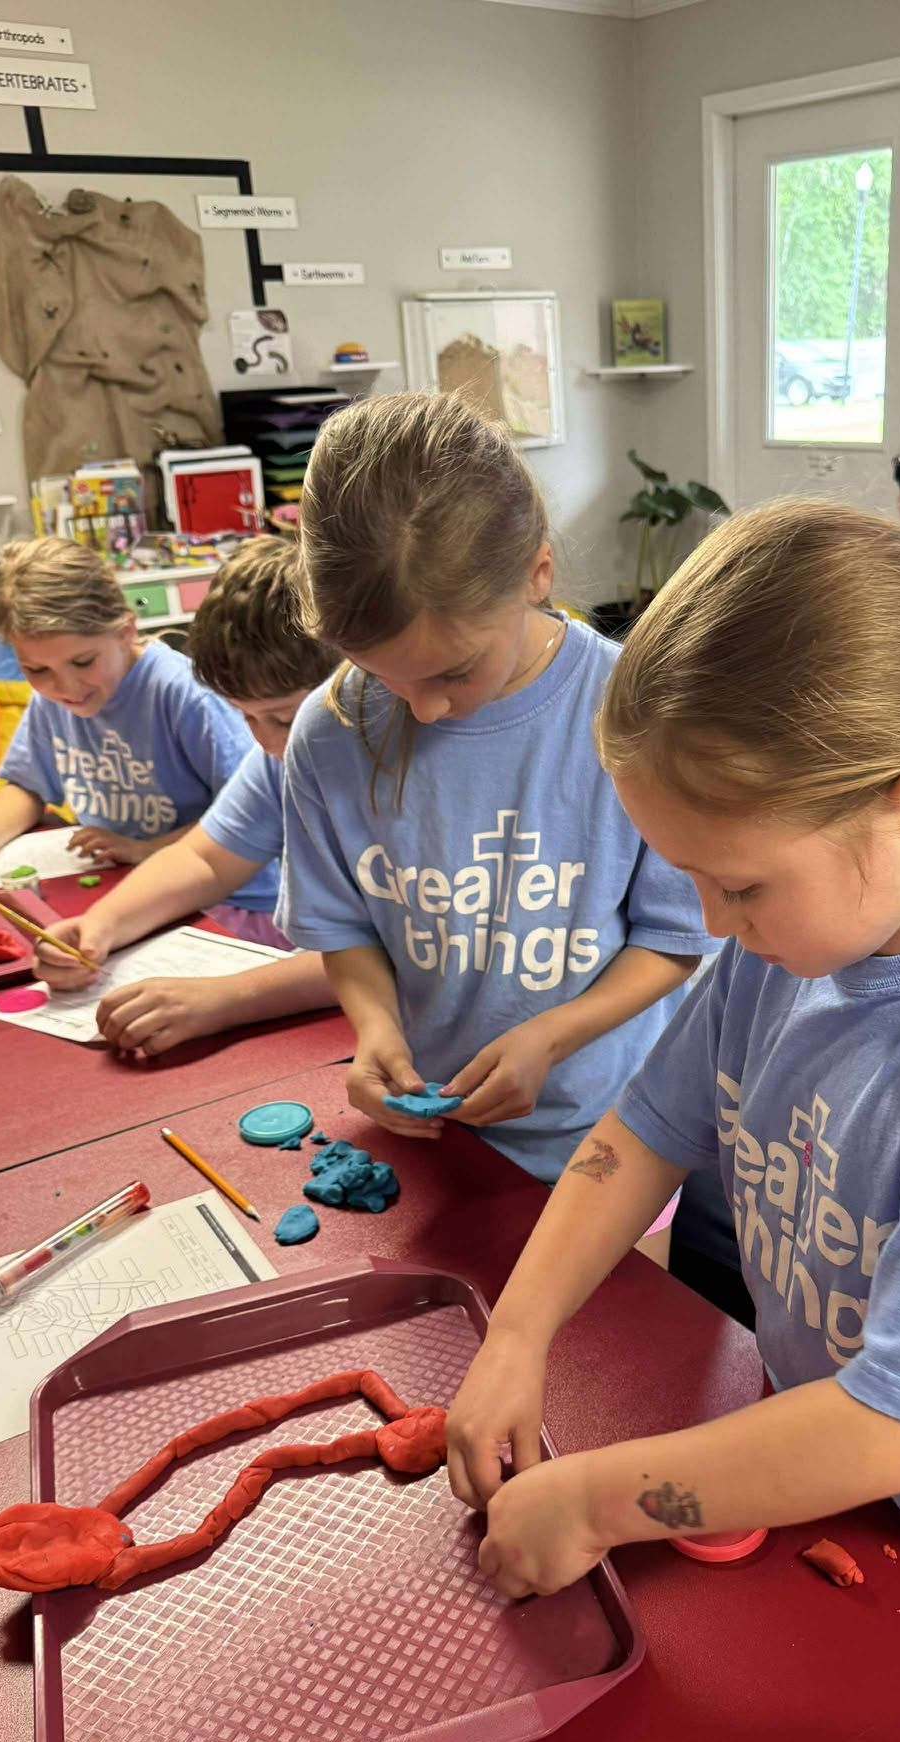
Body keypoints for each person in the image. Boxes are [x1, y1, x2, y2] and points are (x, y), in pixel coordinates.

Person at [444, 501, 900, 1617]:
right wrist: (516, 1335)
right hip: (825, 1464)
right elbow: (643, 1133)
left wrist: (595, 1501)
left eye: (737, 883)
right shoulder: (788, 943)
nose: (710, 920)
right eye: (685, 873)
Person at [279, 390, 717, 1218]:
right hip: (438, 1143)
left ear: (536, 574)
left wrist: (552, 1035)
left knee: (614, 1343)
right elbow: (344, 930)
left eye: (451, 672)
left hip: (617, 1139)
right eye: (382, 673)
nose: (423, 709)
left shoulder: (635, 715)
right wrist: (376, 1031)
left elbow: (675, 939)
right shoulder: (329, 734)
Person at [30, 536, 338, 1056]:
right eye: (245, 716)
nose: (266, 742)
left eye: (284, 718)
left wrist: (224, 999)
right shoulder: (280, 759)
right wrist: (101, 925)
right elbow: (206, 860)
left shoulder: (406, 771)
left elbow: (393, 953)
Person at [0, 538, 271, 923]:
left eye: (83, 661)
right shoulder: (52, 700)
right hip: (125, 881)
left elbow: (251, 815)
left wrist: (145, 849)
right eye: (37, 670)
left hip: (227, 897)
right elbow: (28, 784)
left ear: (125, 630)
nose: (65, 687)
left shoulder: (183, 695)